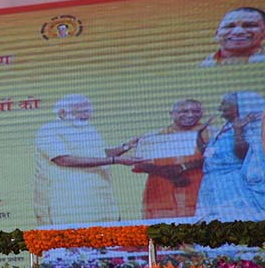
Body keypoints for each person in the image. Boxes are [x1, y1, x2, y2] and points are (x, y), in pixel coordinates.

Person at [33, 94, 140, 226]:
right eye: (81, 111)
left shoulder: (88, 129)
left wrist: (126, 146)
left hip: (100, 199)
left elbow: (100, 154)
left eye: (88, 111)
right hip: (71, 200)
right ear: (62, 112)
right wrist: (115, 160)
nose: (87, 115)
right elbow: (64, 160)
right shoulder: (49, 130)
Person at [133, 100, 211, 219]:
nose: (190, 115)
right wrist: (168, 173)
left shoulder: (212, 134)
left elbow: (217, 160)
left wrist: (183, 167)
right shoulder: (155, 136)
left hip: (197, 195)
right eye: (184, 111)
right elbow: (140, 163)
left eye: (195, 111)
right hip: (162, 197)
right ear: (172, 114)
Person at [195, 91, 265, 222]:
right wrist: (199, 135)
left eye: (224, 104)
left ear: (239, 106)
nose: (219, 108)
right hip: (210, 184)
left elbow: (243, 156)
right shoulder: (225, 127)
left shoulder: (250, 128)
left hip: (231, 186)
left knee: (232, 226)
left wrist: (238, 131)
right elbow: (208, 154)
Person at [200, 7, 265, 66]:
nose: (238, 32)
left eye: (249, 25)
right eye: (229, 26)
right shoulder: (202, 65)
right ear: (217, 33)